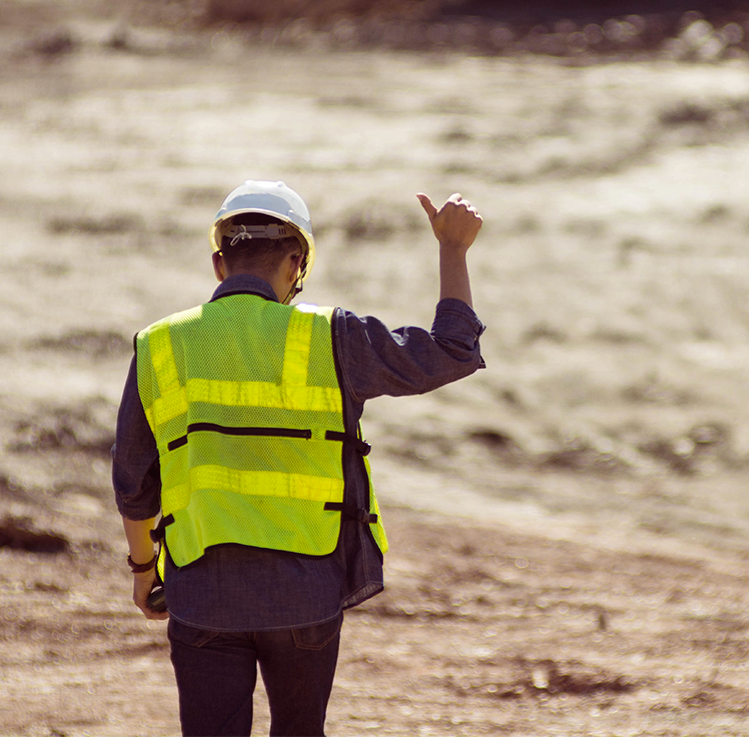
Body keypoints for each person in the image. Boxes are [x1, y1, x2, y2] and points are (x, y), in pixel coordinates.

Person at [111, 180, 485, 736]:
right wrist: (452, 250)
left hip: (201, 594)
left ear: (220, 263)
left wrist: (145, 572)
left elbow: (134, 485)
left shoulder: (160, 344)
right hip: (304, 594)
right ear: (296, 262)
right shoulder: (332, 337)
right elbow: (453, 351)